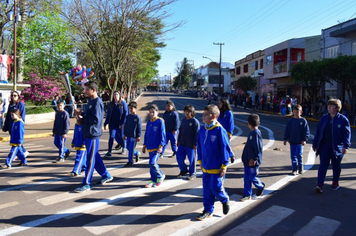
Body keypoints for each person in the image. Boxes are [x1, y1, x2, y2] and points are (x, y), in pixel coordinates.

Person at [74, 81, 113, 193]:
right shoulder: (90, 101)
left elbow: (96, 120)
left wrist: (83, 114)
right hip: (87, 133)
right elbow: (87, 118)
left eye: (87, 90)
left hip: (93, 134)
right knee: (94, 156)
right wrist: (80, 118)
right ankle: (106, 175)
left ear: (94, 90)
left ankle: (87, 183)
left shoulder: (97, 102)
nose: (85, 91)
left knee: (90, 159)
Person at [196, 104, 230, 221]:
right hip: (205, 166)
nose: (203, 117)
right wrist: (199, 160)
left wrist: (224, 165)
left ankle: (224, 199)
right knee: (206, 190)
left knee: (215, 188)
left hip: (216, 167)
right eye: (203, 114)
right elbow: (199, 146)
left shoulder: (219, 130)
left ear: (214, 116)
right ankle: (208, 210)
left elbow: (225, 148)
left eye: (206, 115)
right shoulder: (202, 129)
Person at [312, 99, 351, 193]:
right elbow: (318, 132)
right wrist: (315, 144)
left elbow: (347, 134)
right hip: (324, 146)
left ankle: (335, 183)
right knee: (323, 165)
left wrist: (346, 146)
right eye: (328, 106)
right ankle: (319, 184)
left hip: (337, 147)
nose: (329, 108)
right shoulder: (324, 118)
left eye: (331, 106)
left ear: (337, 108)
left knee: (336, 166)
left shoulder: (343, 119)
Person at [239, 114, 265, 202]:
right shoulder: (252, 133)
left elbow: (258, 148)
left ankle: (260, 186)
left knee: (252, 177)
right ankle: (247, 194)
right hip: (247, 161)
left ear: (249, 123)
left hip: (252, 161)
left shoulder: (256, 134)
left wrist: (254, 158)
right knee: (246, 178)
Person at [142, 104, 166, 188]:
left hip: (157, 147)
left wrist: (161, 146)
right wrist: (144, 145)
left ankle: (160, 175)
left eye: (153, 112)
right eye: (150, 112)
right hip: (150, 146)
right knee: (150, 163)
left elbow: (163, 134)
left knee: (153, 163)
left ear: (157, 112)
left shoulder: (160, 121)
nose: (152, 114)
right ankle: (153, 179)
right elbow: (146, 134)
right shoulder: (149, 122)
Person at [283, 105, 310, 175]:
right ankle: (294, 169)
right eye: (294, 112)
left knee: (299, 154)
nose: (296, 113)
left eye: (297, 112)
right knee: (293, 156)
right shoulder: (291, 121)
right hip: (292, 141)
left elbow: (306, 131)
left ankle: (300, 167)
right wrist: (285, 138)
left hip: (299, 142)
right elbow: (287, 130)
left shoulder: (303, 121)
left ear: (301, 112)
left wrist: (304, 139)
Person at [176, 105, 200, 180]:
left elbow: (197, 133)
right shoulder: (183, 121)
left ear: (192, 112)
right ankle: (183, 170)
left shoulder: (194, 121)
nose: (187, 113)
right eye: (186, 111)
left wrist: (195, 144)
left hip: (191, 145)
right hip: (182, 143)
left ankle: (192, 173)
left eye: (189, 111)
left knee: (192, 160)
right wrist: (178, 140)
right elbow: (181, 131)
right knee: (178, 156)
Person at [2, 91, 29, 157]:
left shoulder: (20, 105)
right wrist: (5, 126)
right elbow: (8, 116)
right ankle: (22, 153)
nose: (13, 97)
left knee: (17, 141)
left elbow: (22, 116)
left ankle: (17, 154)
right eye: (12, 95)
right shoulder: (10, 105)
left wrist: (21, 124)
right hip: (11, 126)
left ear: (18, 96)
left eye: (15, 95)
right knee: (14, 140)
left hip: (17, 125)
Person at [104, 91, 128, 158]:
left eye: (117, 94)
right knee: (111, 136)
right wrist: (106, 123)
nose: (115, 96)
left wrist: (123, 123)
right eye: (114, 94)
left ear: (119, 95)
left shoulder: (123, 104)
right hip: (112, 123)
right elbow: (108, 114)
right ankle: (109, 152)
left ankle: (124, 148)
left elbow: (125, 113)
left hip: (120, 123)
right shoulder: (111, 104)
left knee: (121, 136)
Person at [123, 101, 142, 167]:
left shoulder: (137, 117)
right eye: (129, 108)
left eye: (132, 108)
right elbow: (126, 126)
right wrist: (125, 134)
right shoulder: (128, 117)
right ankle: (136, 153)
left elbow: (139, 127)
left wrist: (138, 136)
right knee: (128, 147)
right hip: (128, 135)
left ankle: (130, 161)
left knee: (131, 148)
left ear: (135, 108)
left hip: (134, 136)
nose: (130, 110)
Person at [217, 98, 236, 163]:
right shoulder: (219, 113)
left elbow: (231, 123)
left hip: (226, 132)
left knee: (225, 145)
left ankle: (230, 155)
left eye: (220, 103)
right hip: (219, 131)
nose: (219, 104)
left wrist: (230, 133)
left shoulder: (229, 113)